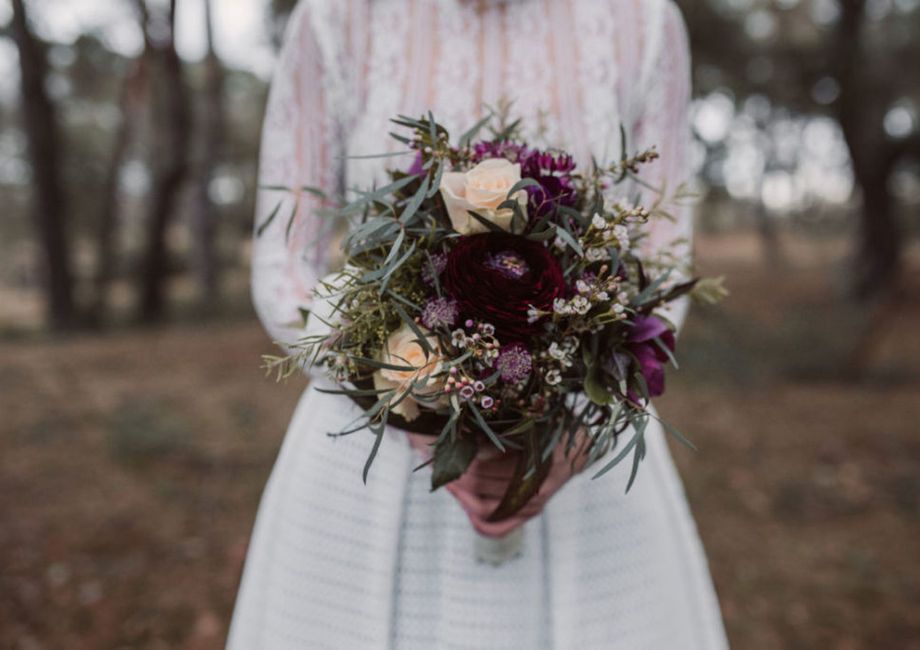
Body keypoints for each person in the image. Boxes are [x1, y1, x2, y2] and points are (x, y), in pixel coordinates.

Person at [229, 0, 729, 647]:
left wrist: (571, 438)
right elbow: (283, 264)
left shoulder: (641, 20)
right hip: (375, 449)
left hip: (583, 446)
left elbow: (661, 258)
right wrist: (410, 393)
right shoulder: (336, 17)